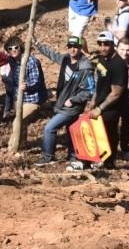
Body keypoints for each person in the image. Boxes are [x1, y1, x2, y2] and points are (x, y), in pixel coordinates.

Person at [34, 36, 96, 167]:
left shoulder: (85, 67)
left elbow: (90, 90)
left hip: (72, 107)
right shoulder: (65, 59)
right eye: (70, 46)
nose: (73, 49)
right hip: (62, 103)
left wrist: (74, 100)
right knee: (71, 130)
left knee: (49, 128)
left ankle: (47, 156)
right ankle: (74, 156)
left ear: (80, 48)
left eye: (76, 47)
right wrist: (38, 44)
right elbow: (52, 55)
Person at [80, 31, 128, 169]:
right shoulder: (101, 59)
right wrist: (92, 102)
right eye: (100, 44)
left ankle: (109, 163)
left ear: (113, 44)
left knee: (108, 133)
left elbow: (116, 93)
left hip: (112, 107)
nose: (102, 47)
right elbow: (99, 84)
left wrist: (100, 109)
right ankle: (88, 162)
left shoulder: (118, 64)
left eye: (106, 44)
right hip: (99, 103)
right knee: (91, 131)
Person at [0, 37, 47, 141]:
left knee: (17, 122)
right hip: (19, 98)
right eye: (10, 48)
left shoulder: (31, 61)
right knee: (22, 123)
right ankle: (23, 144)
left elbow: (37, 82)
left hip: (33, 99)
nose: (13, 50)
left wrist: (27, 87)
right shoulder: (11, 60)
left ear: (21, 48)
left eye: (16, 47)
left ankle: (11, 148)